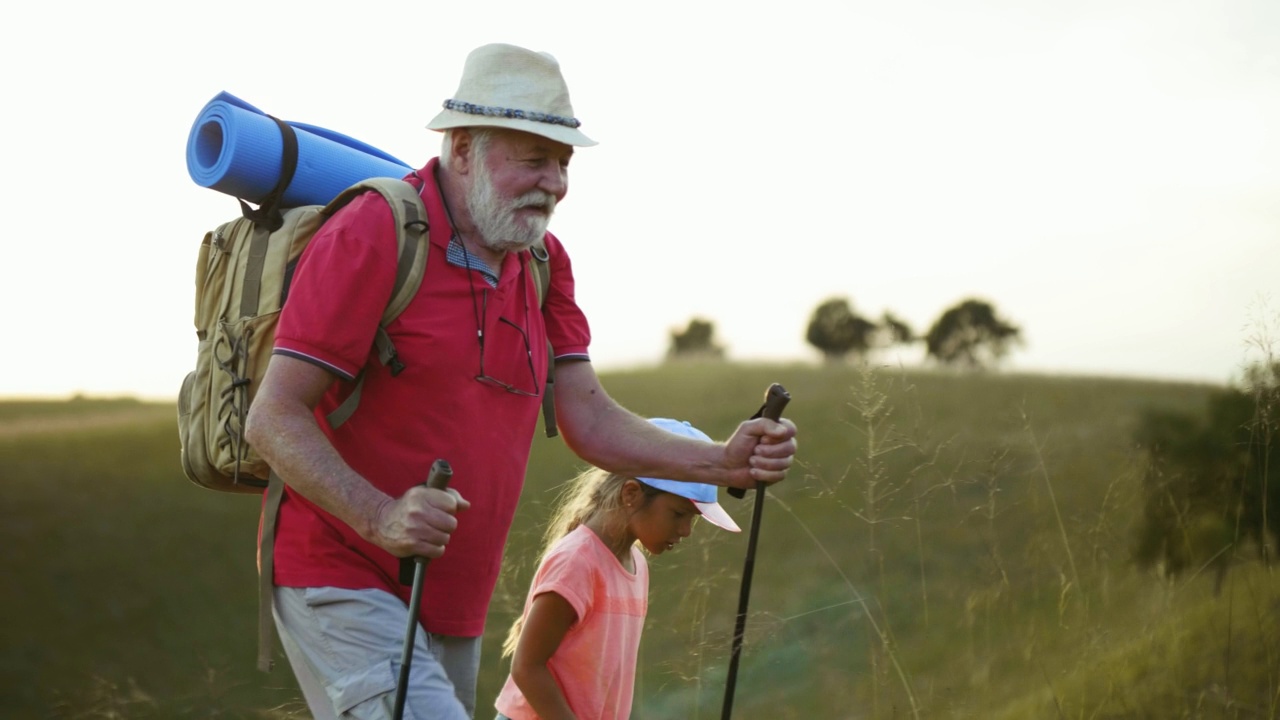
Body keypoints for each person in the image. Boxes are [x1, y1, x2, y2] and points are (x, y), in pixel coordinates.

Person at [244, 42, 798, 720]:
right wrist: (380, 515)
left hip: (452, 596)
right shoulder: (374, 233)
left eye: (563, 164)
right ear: (464, 147)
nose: (555, 183)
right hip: (343, 575)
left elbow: (588, 420)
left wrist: (720, 459)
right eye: (534, 159)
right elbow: (272, 417)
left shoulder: (542, 263)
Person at [493, 418, 741, 720]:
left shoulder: (636, 565)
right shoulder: (577, 562)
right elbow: (527, 667)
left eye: (694, 518)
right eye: (679, 513)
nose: (687, 531)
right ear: (631, 494)